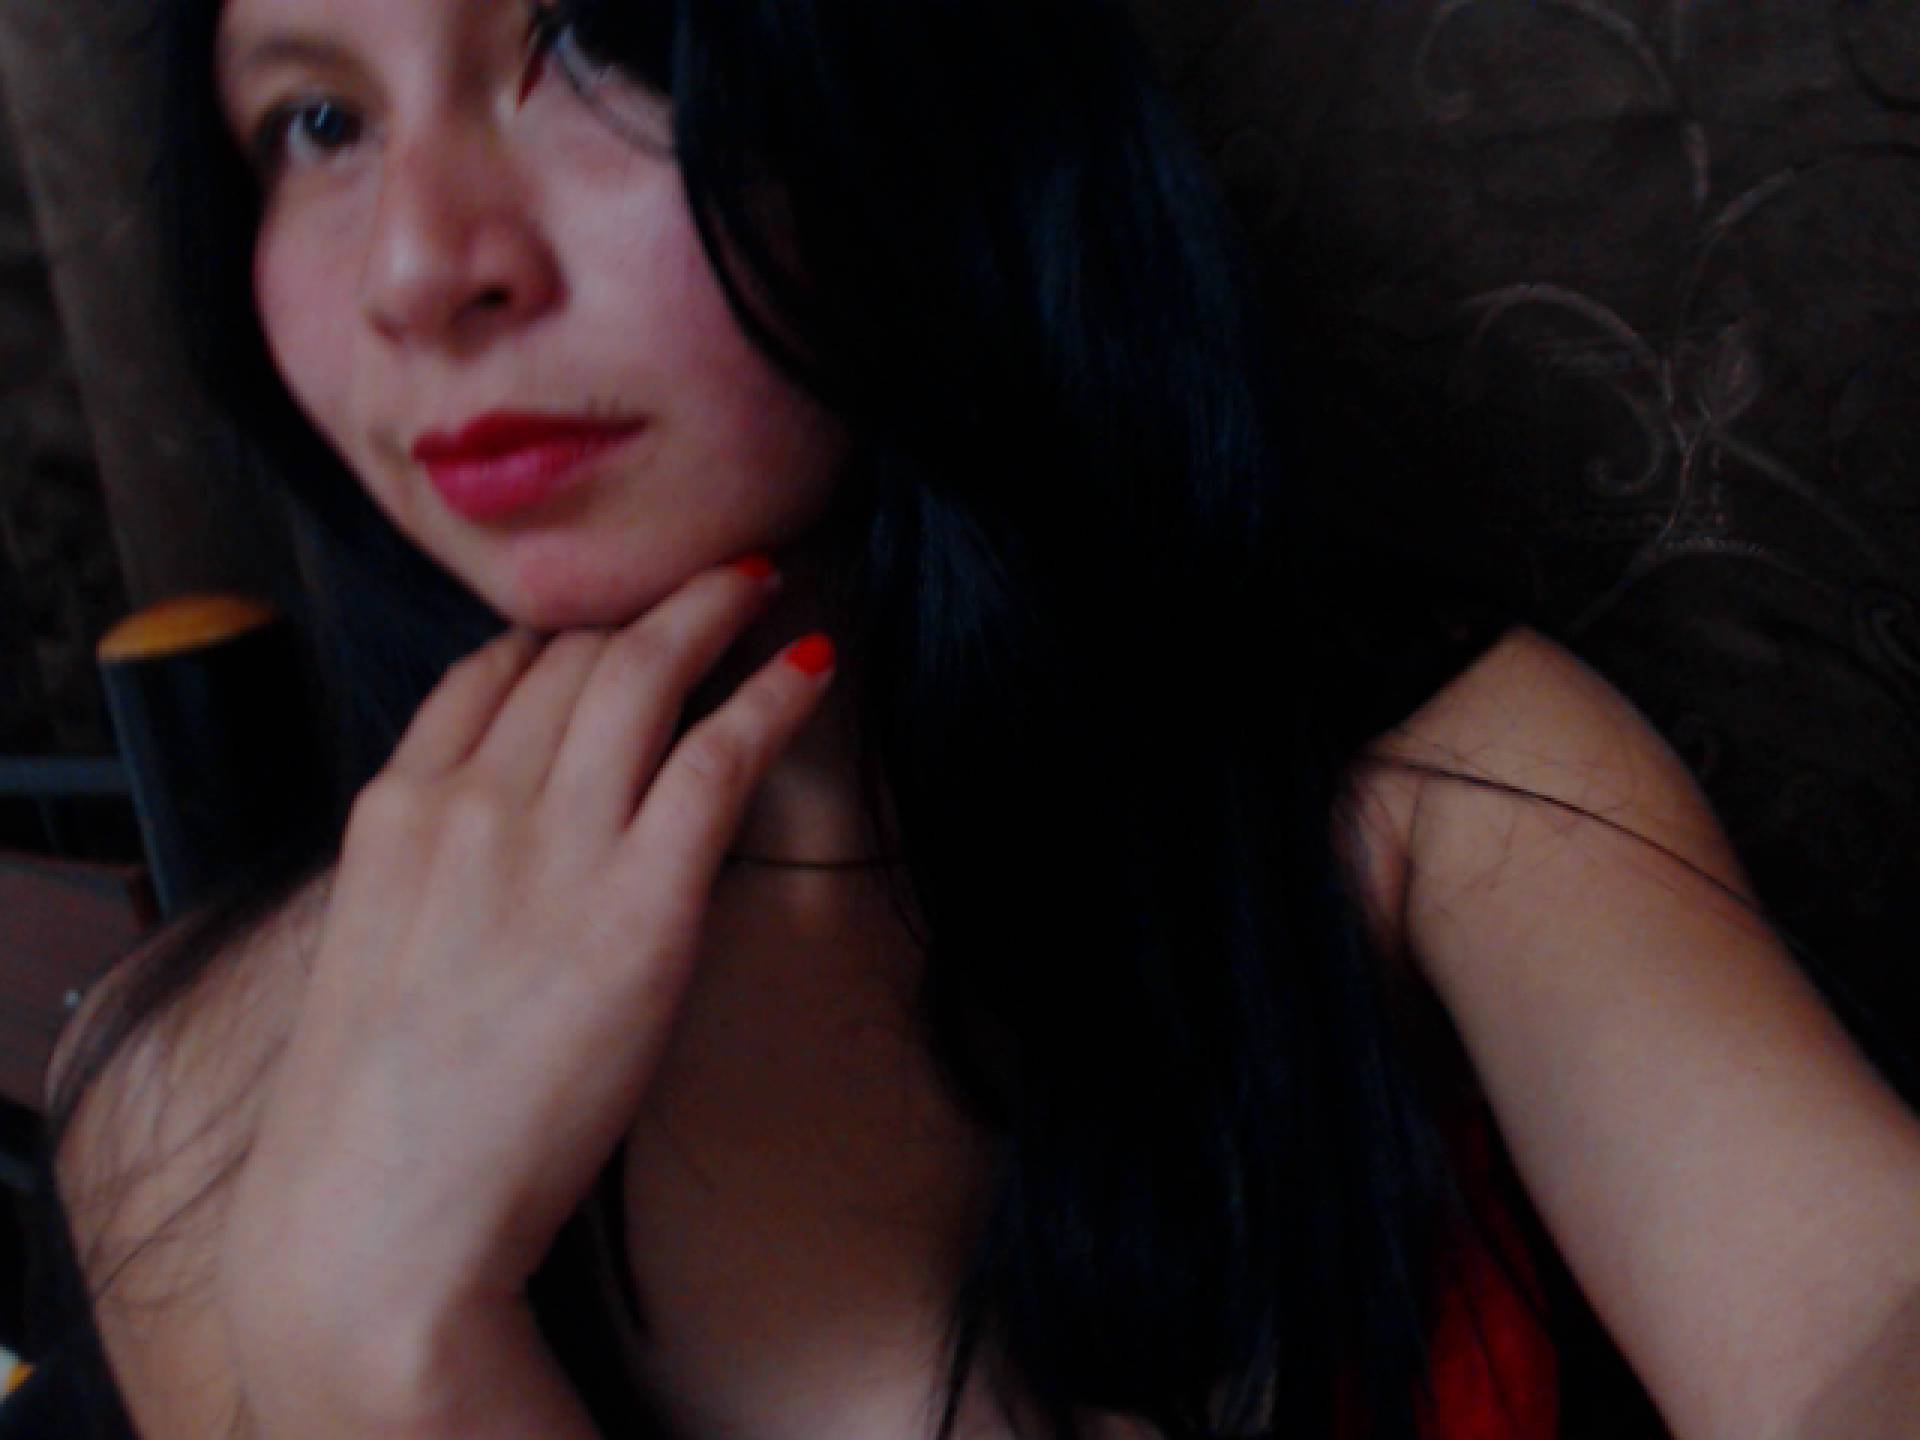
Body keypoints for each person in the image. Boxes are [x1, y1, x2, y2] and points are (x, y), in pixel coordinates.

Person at [31, 0, 1920, 1437]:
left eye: (597, 39)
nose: (422, 267)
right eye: (319, 121)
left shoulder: (1445, 794)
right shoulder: (199, 1104)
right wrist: (377, 1358)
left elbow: (1867, 1329)